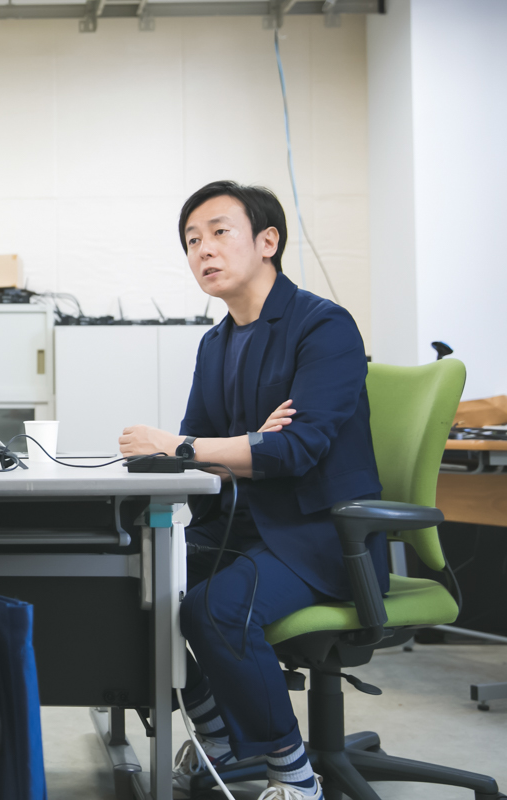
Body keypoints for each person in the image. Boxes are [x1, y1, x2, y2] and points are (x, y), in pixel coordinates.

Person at [119, 181, 384, 800]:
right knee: (133, 578)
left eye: (218, 232)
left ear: (269, 242)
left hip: (322, 534)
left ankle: (294, 776)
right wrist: (235, 447)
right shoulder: (215, 343)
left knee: (214, 609)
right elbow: (205, 458)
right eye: (191, 240)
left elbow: (292, 451)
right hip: (248, 523)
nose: (202, 250)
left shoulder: (324, 326)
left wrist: (202, 448)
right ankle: (215, 740)